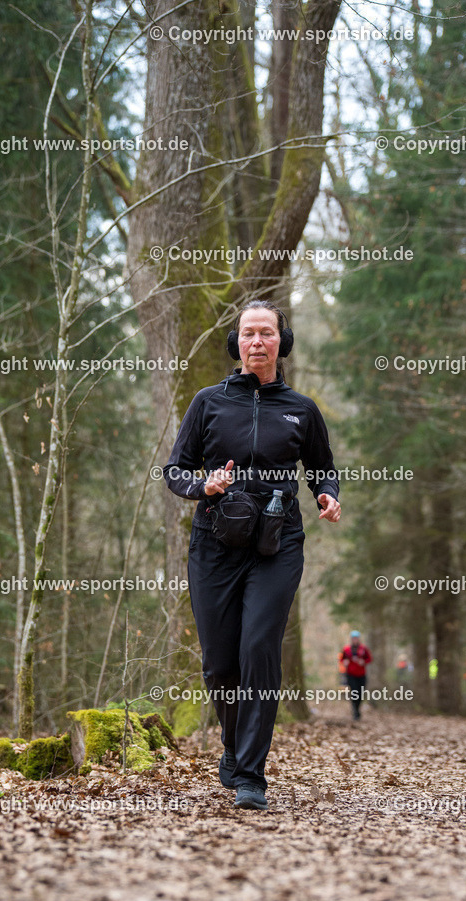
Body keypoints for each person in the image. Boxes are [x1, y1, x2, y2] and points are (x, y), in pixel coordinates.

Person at [163, 300, 341, 811]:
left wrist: (327, 493)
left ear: (281, 343)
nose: (257, 341)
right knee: (220, 662)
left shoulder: (302, 409)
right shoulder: (208, 402)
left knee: (258, 649)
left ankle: (250, 775)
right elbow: (176, 470)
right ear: (236, 344)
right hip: (215, 541)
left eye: (266, 333)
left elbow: (322, 467)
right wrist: (205, 483)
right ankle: (232, 745)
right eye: (248, 334)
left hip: (277, 543)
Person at [339, 630, 372, 720]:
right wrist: (344, 662)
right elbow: (341, 659)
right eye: (353, 638)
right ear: (351, 639)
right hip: (351, 674)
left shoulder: (363, 649)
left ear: (358, 639)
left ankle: (357, 709)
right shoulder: (346, 649)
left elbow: (369, 659)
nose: (355, 640)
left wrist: (363, 662)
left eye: (356, 638)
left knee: (360, 694)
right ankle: (355, 711)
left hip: (361, 675)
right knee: (354, 692)